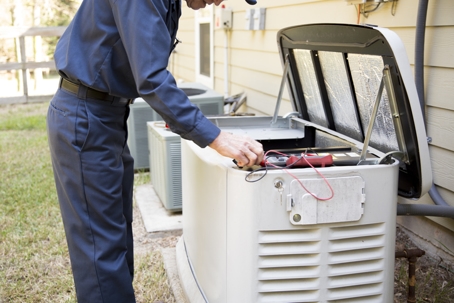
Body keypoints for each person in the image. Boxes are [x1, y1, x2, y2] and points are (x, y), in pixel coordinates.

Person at [46, 0, 263, 302]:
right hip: (86, 117)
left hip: (107, 115)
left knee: (117, 237)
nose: (219, 2)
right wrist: (217, 138)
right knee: (101, 251)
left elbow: (144, 68)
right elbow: (151, 79)